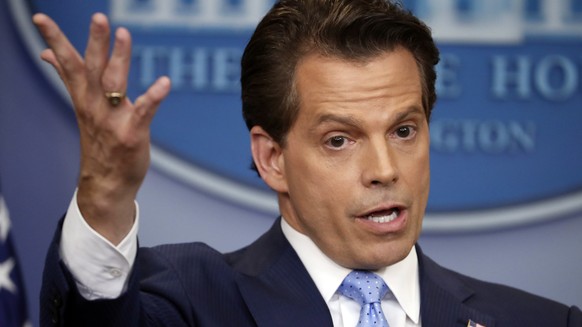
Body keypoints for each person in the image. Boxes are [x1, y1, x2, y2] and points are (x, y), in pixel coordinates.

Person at [34, 0, 581, 326]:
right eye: (340, 140)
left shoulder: (541, 321)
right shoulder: (189, 299)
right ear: (272, 158)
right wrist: (104, 196)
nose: (385, 169)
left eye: (404, 130)